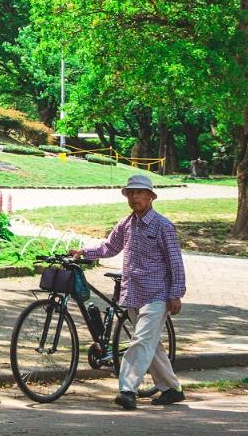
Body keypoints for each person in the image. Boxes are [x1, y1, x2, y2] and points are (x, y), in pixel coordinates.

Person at [75, 172, 186, 410]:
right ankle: (172, 389)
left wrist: (176, 293)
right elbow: (109, 247)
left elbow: (175, 262)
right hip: (133, 292)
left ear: (150, 197)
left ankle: (127, 389)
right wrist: (84, 252)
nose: (135, 197)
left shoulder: (163, 226)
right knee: (150, 344)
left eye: (140, 193)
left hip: (157, 295)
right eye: (131, 193)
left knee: (141, 341)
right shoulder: (127, 223)